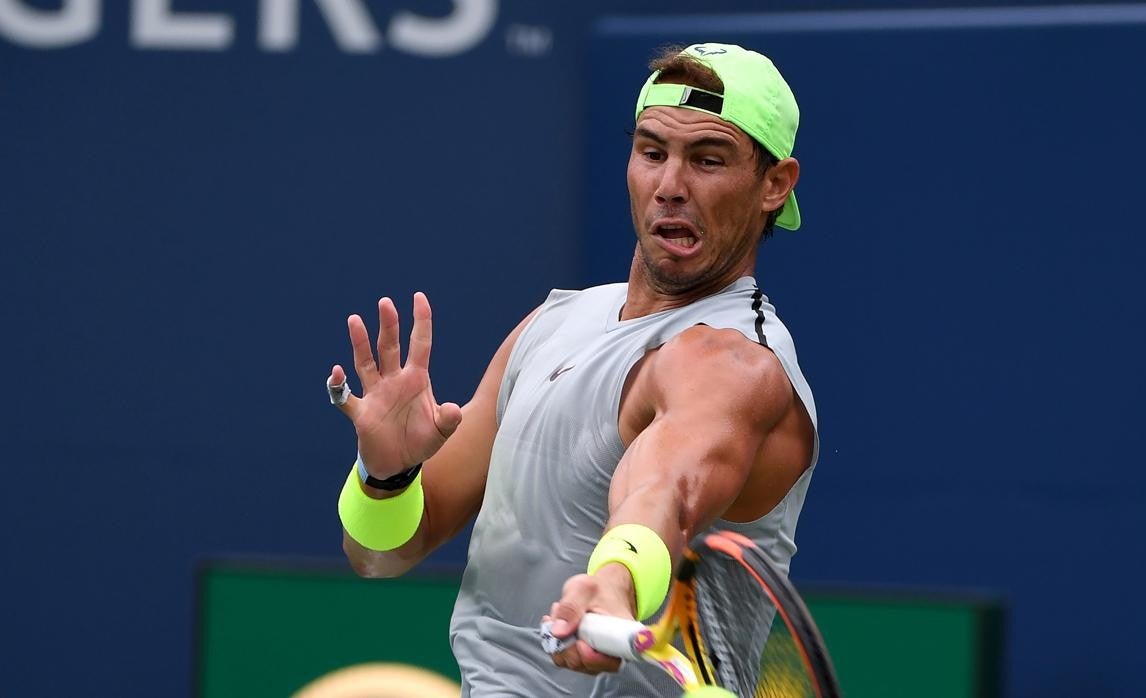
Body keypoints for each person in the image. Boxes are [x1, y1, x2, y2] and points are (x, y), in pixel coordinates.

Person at [326, 42, 818, 697]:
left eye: (707, 160)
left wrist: (613, 580)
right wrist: (385, 479)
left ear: (774, 185)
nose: (670, 186)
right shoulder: (553, 325)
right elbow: (380, 558)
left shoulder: (734, 362)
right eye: (651, 152)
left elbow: (665, 487)